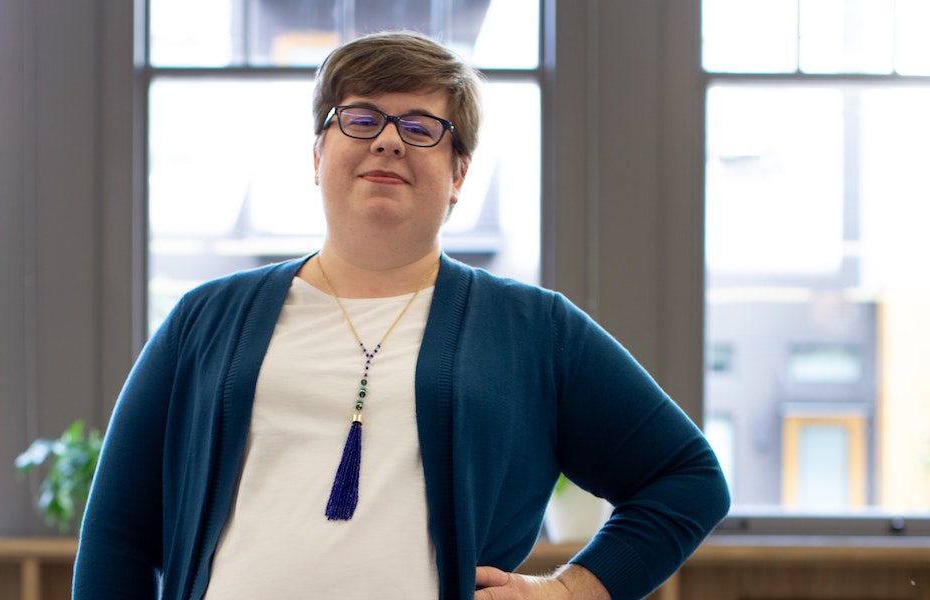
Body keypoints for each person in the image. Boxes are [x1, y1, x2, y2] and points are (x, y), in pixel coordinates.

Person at [73, 31, 730, 600]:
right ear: (316, 156)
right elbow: (118, 531)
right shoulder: (206, 319)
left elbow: (688, 479)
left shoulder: (534, 332)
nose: (388, 142)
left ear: (459, 175)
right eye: (360, 119)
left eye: (420, 128)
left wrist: (573, 589)